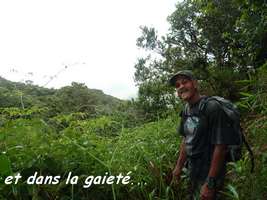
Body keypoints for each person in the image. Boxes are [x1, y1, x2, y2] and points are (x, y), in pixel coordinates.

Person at [169, 70, 239, 200]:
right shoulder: (186, 110)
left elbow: (221, 147)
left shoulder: (212, 107)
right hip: (193, 169)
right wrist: (178, 168)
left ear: (195, 84)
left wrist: (210, 183)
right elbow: (186, 139)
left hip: (211, 172)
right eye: (177, 85)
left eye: (185, 82)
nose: (181, 87)